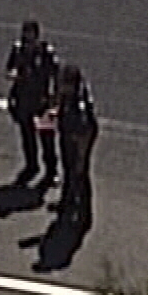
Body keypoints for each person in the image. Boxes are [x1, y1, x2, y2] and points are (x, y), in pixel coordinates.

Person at [4, 20, 61, 187]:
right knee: (27, 137)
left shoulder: (45, 52)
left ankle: (52, 171)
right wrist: (14, 74)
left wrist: (53, 97)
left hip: (41, 100)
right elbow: (10, 68)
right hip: (23, 99)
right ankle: (31, 165)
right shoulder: (18, 49)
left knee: (46, 137)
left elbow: (55, 74)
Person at [53, 63, 98, 231]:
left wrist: (81, 156)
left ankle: (84, 213)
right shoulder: (70, 94)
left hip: (78, 138)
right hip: (69, 134)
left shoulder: (80, 107)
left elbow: (84, 135)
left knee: (79, 174)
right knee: (67, 168)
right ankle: (67, 202)